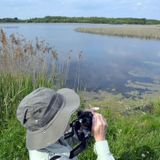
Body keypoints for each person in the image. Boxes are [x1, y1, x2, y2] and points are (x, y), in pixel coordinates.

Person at [16, 87, 115, 160]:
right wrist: (101, 141)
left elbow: (62, 140)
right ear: (55, 124)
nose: (70, 114)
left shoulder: (40, 134)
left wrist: (84, 125)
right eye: (64, 113)